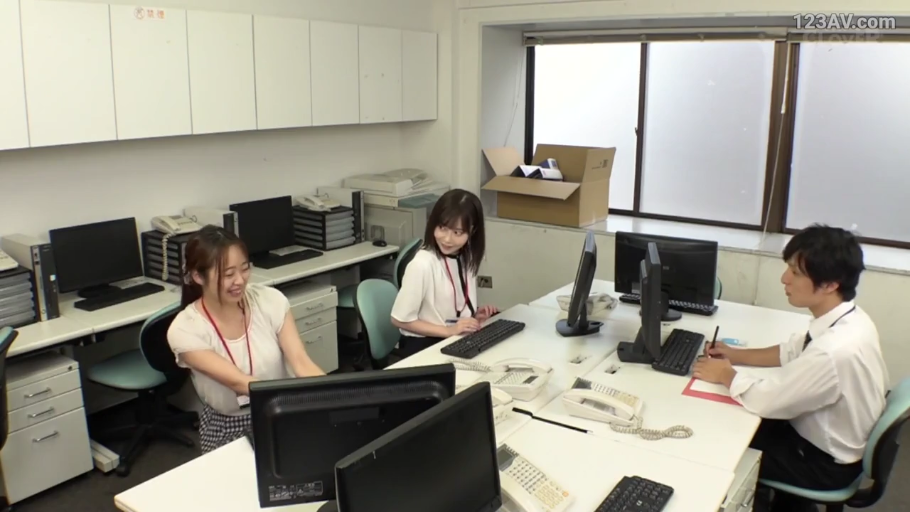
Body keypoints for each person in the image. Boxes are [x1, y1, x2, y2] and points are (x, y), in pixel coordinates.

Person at [693, 224, 888, 512]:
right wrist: (735, 355)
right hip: (828, 440)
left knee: (718, 445)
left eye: (796, 273)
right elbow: (792, 349)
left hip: (822, 464)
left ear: (830, 284)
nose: (784, 279)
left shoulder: (833, 351)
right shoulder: (850, 317)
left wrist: (724, 374)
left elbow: (766, 401)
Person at [167, 225, 325, 453]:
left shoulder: (270, 300)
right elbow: (239, 382)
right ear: (198, 276)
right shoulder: (185, 329)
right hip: (228, 424)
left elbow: (301, 362)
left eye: (244, 269)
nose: (240, 280)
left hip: (280, 409)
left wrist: (334, 397)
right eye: (228, 274)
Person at [391, 188, 499, 356]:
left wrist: (472, 316)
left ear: (473, 231)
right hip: (425, 346)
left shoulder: (466, 257)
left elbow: (448, 309)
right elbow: (399, 319)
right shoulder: (422, 264)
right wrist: (449, 331)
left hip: (454, 338)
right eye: (442, 228)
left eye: (457, 232)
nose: (447, 239)